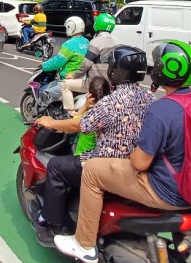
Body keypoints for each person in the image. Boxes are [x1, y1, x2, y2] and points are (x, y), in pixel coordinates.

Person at [53, 41, 191, 261]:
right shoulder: (157, 99)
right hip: (181, 181)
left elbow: (80, 126)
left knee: (72, 168)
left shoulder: (121, 103)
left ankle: (79, 241)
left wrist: (49, 122)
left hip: (142, 176)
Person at [36, 47, 154, 250]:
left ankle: (51, 223)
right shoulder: (150, 98)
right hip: (135, 164)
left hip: (103, 164)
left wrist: (51, 122)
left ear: (117, 70)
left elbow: (79, 125)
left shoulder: (111, 101)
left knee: (56, 166)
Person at [61, 12, 117, 111]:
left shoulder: (96, 42)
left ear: (98, 24)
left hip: (93, 83)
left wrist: (73, 75)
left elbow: (86, 64)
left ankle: (70, 113)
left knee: (65, 84)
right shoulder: (115, 42)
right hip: (109, 83)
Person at [41, 16, 89, 99]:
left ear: (71, 27)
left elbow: (58, 62)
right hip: (83, 79)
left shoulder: (69, 44)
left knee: (46, 92)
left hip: (69, 78)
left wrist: (44, 65)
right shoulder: (86, 42)